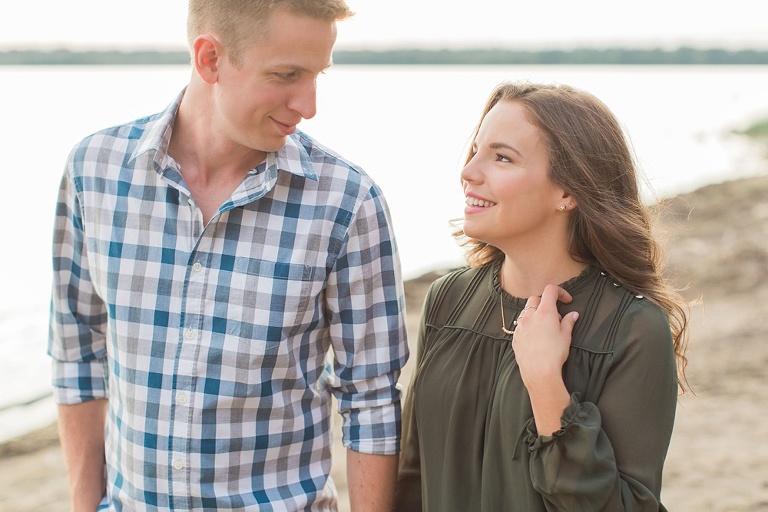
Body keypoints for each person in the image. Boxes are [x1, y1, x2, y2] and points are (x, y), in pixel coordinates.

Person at [48, 1, 409, 510]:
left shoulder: (347, 203)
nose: (308, 104)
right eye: (286, 75)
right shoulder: (94, 172)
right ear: (210, 59)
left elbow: (371, 401)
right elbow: (77, 355)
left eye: (317, 75)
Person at [395, 81, 690, 511]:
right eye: (475, 150)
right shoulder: (447, 300)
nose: (469, 171)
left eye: (501, 157)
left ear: (568, 192)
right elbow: (412, 478)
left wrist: (547, 387)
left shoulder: (633, 328)